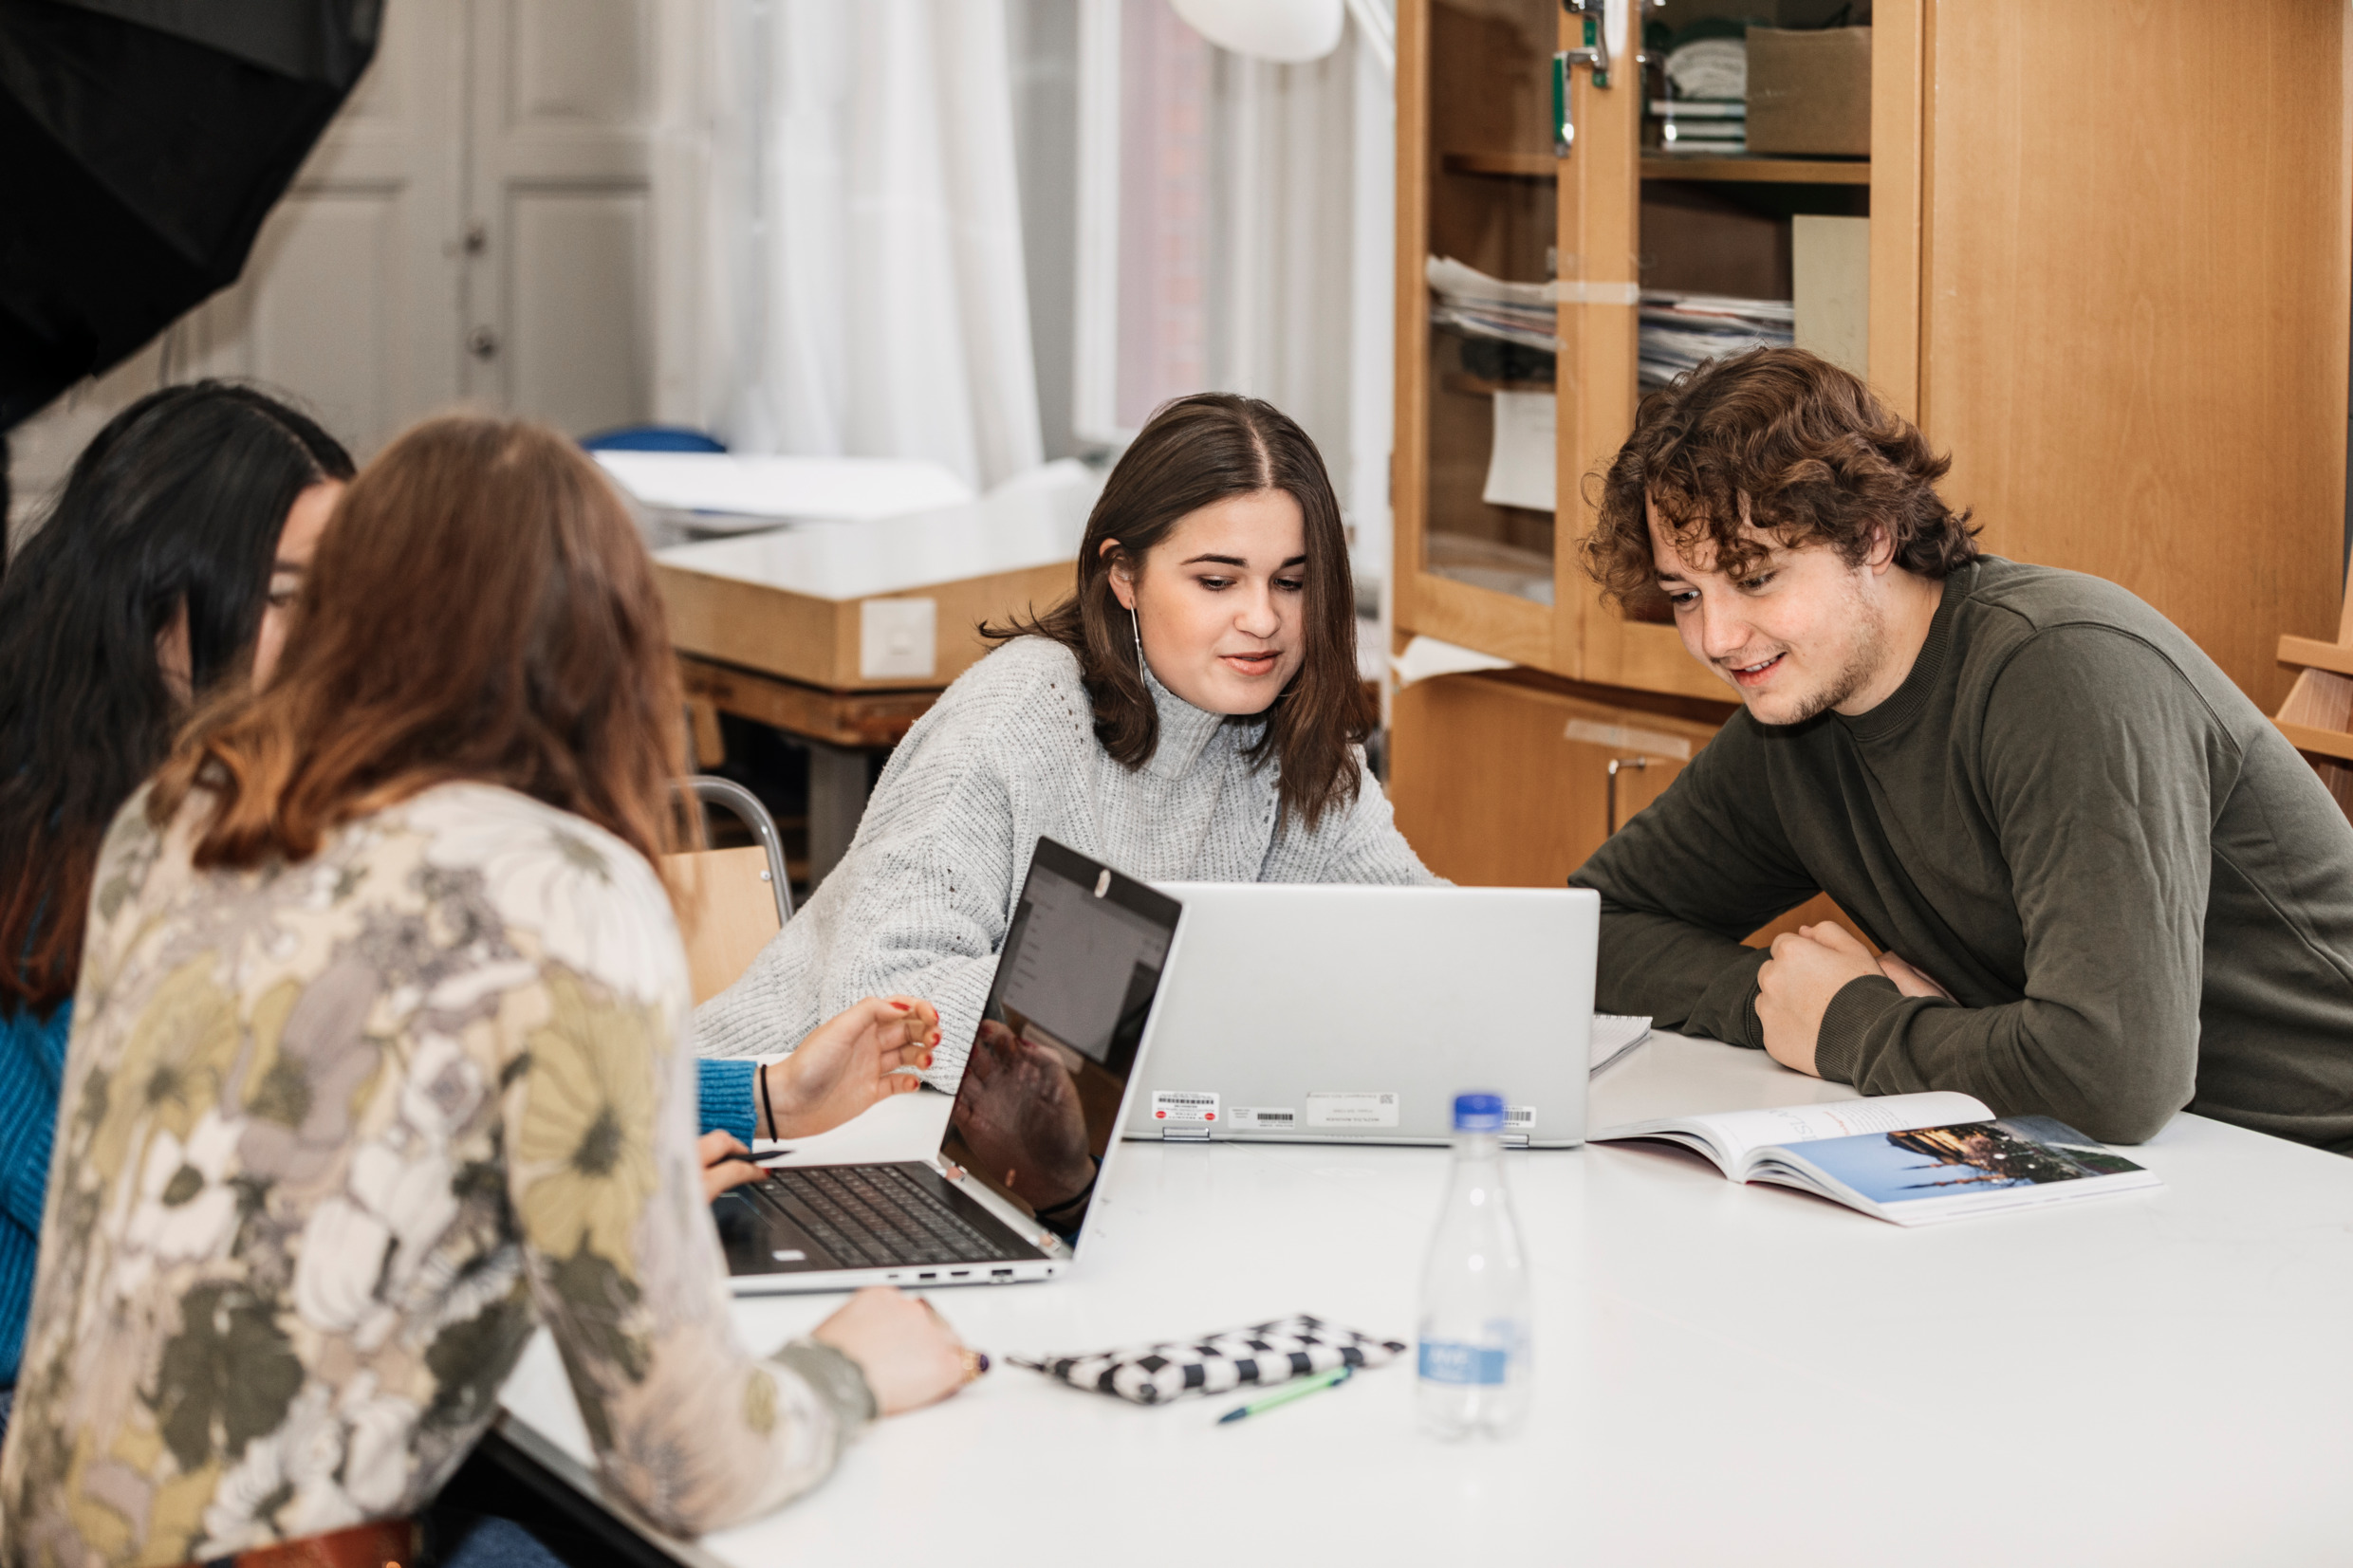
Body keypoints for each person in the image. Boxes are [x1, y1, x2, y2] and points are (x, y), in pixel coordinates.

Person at [0, 416, 975, 1564]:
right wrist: (847, 1365)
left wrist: (741, 1104)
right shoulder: (569, 892)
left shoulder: (186, 811)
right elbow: (690, 1457)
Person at [1566, 346, 2353, 1151]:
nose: (1718, 637)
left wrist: (1852, 1022)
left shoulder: (2061, 670)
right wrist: (1779, 999)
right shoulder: (1798, 712)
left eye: (1758, 578)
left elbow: (2113, 1077)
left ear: (1871, 538)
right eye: (1687, 595)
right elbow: (1592, 932)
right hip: (2144, 1157)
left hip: (2308, 1169)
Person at [696, 393, 1438, 1072]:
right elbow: (880, 995)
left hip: (1021, 1141)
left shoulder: (1298, 737)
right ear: (1124, 576)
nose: (1264, 618)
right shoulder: (1019, 714)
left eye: (1291, 582)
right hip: (764, 1132)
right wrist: (1148, 1001)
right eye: (1217, 581)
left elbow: (1428, 943)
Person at [0, 382, 354, 1443]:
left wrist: (752, 1095)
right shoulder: (49, 876)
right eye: (289, 596)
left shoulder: (241, 804)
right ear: (156, 601)